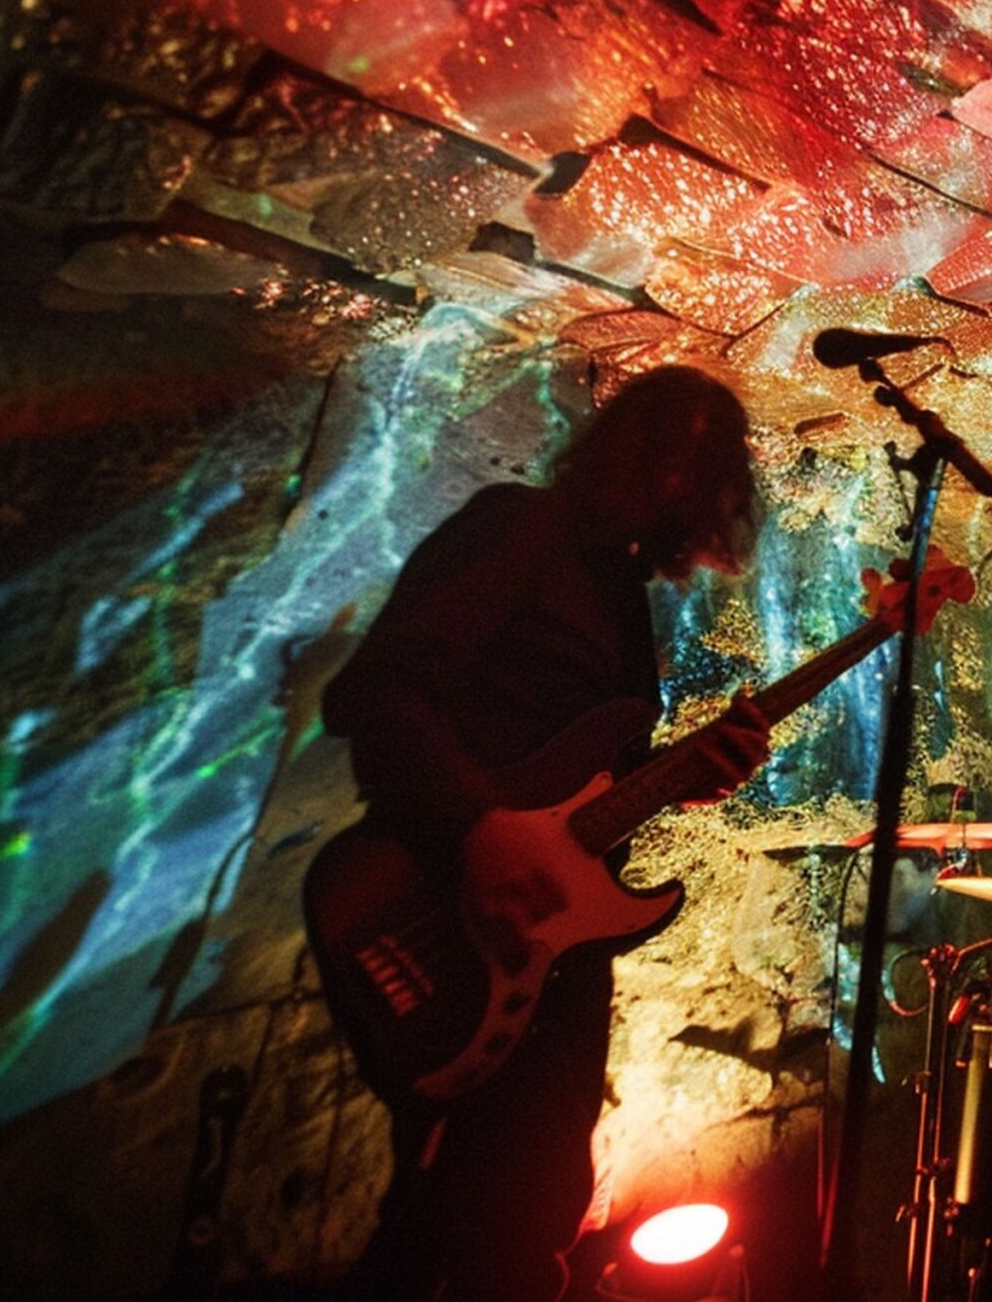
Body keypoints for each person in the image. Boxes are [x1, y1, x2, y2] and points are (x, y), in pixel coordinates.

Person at [319, 365, 772, 1302]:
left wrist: (685, 774)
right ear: (663, 466)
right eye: (702, 475)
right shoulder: (517, 528)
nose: (709, 509)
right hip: (441, 911)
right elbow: (378, 691)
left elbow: (579, 780)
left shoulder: (618, 592)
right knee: (483, 1218)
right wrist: (478, 823)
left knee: (501, 1215)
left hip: (546, 950)